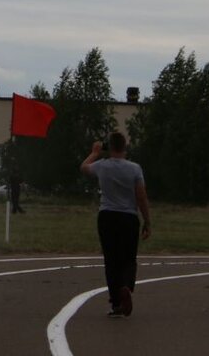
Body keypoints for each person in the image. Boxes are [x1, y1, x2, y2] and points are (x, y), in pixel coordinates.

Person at [80, 132, 152, 318]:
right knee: (128, 258)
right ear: (125, 147)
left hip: (107, 216)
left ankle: (116, 302)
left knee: (111, 261)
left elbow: (84, 167)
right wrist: (147, 221)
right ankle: (126, 286)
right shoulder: (135, 169)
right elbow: (141, 196)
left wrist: (95, 152)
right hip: (128, 217)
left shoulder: (102, 166)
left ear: (109, 147)